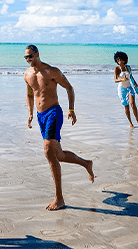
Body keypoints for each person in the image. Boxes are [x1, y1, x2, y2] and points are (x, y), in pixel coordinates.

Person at [23, 45, 95, 210]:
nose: (28, 60)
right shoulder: (27, 74)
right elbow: (29, 94)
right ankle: (86, 164)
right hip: (41, 117)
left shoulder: (52, 72)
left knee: (48, 152)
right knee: (59, 155)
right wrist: (30, 114)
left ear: (37, 54)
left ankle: (59, 198)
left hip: (54, 113)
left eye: (30, 56)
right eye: (26, 57)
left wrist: (71, 109)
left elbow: (69, 88)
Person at [113, 51, 138, 128]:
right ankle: (130, 123)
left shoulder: (128, 67)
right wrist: (123, 79)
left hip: (129, 87)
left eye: (120, 59)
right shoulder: (117, 69)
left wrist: (135, 83)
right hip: (122, 89)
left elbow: (131, 77)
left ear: (124, 59)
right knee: (126, 106)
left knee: (133, 104)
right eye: (117, 60)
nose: (118, 61)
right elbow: (115, 80)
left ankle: (137, 120)